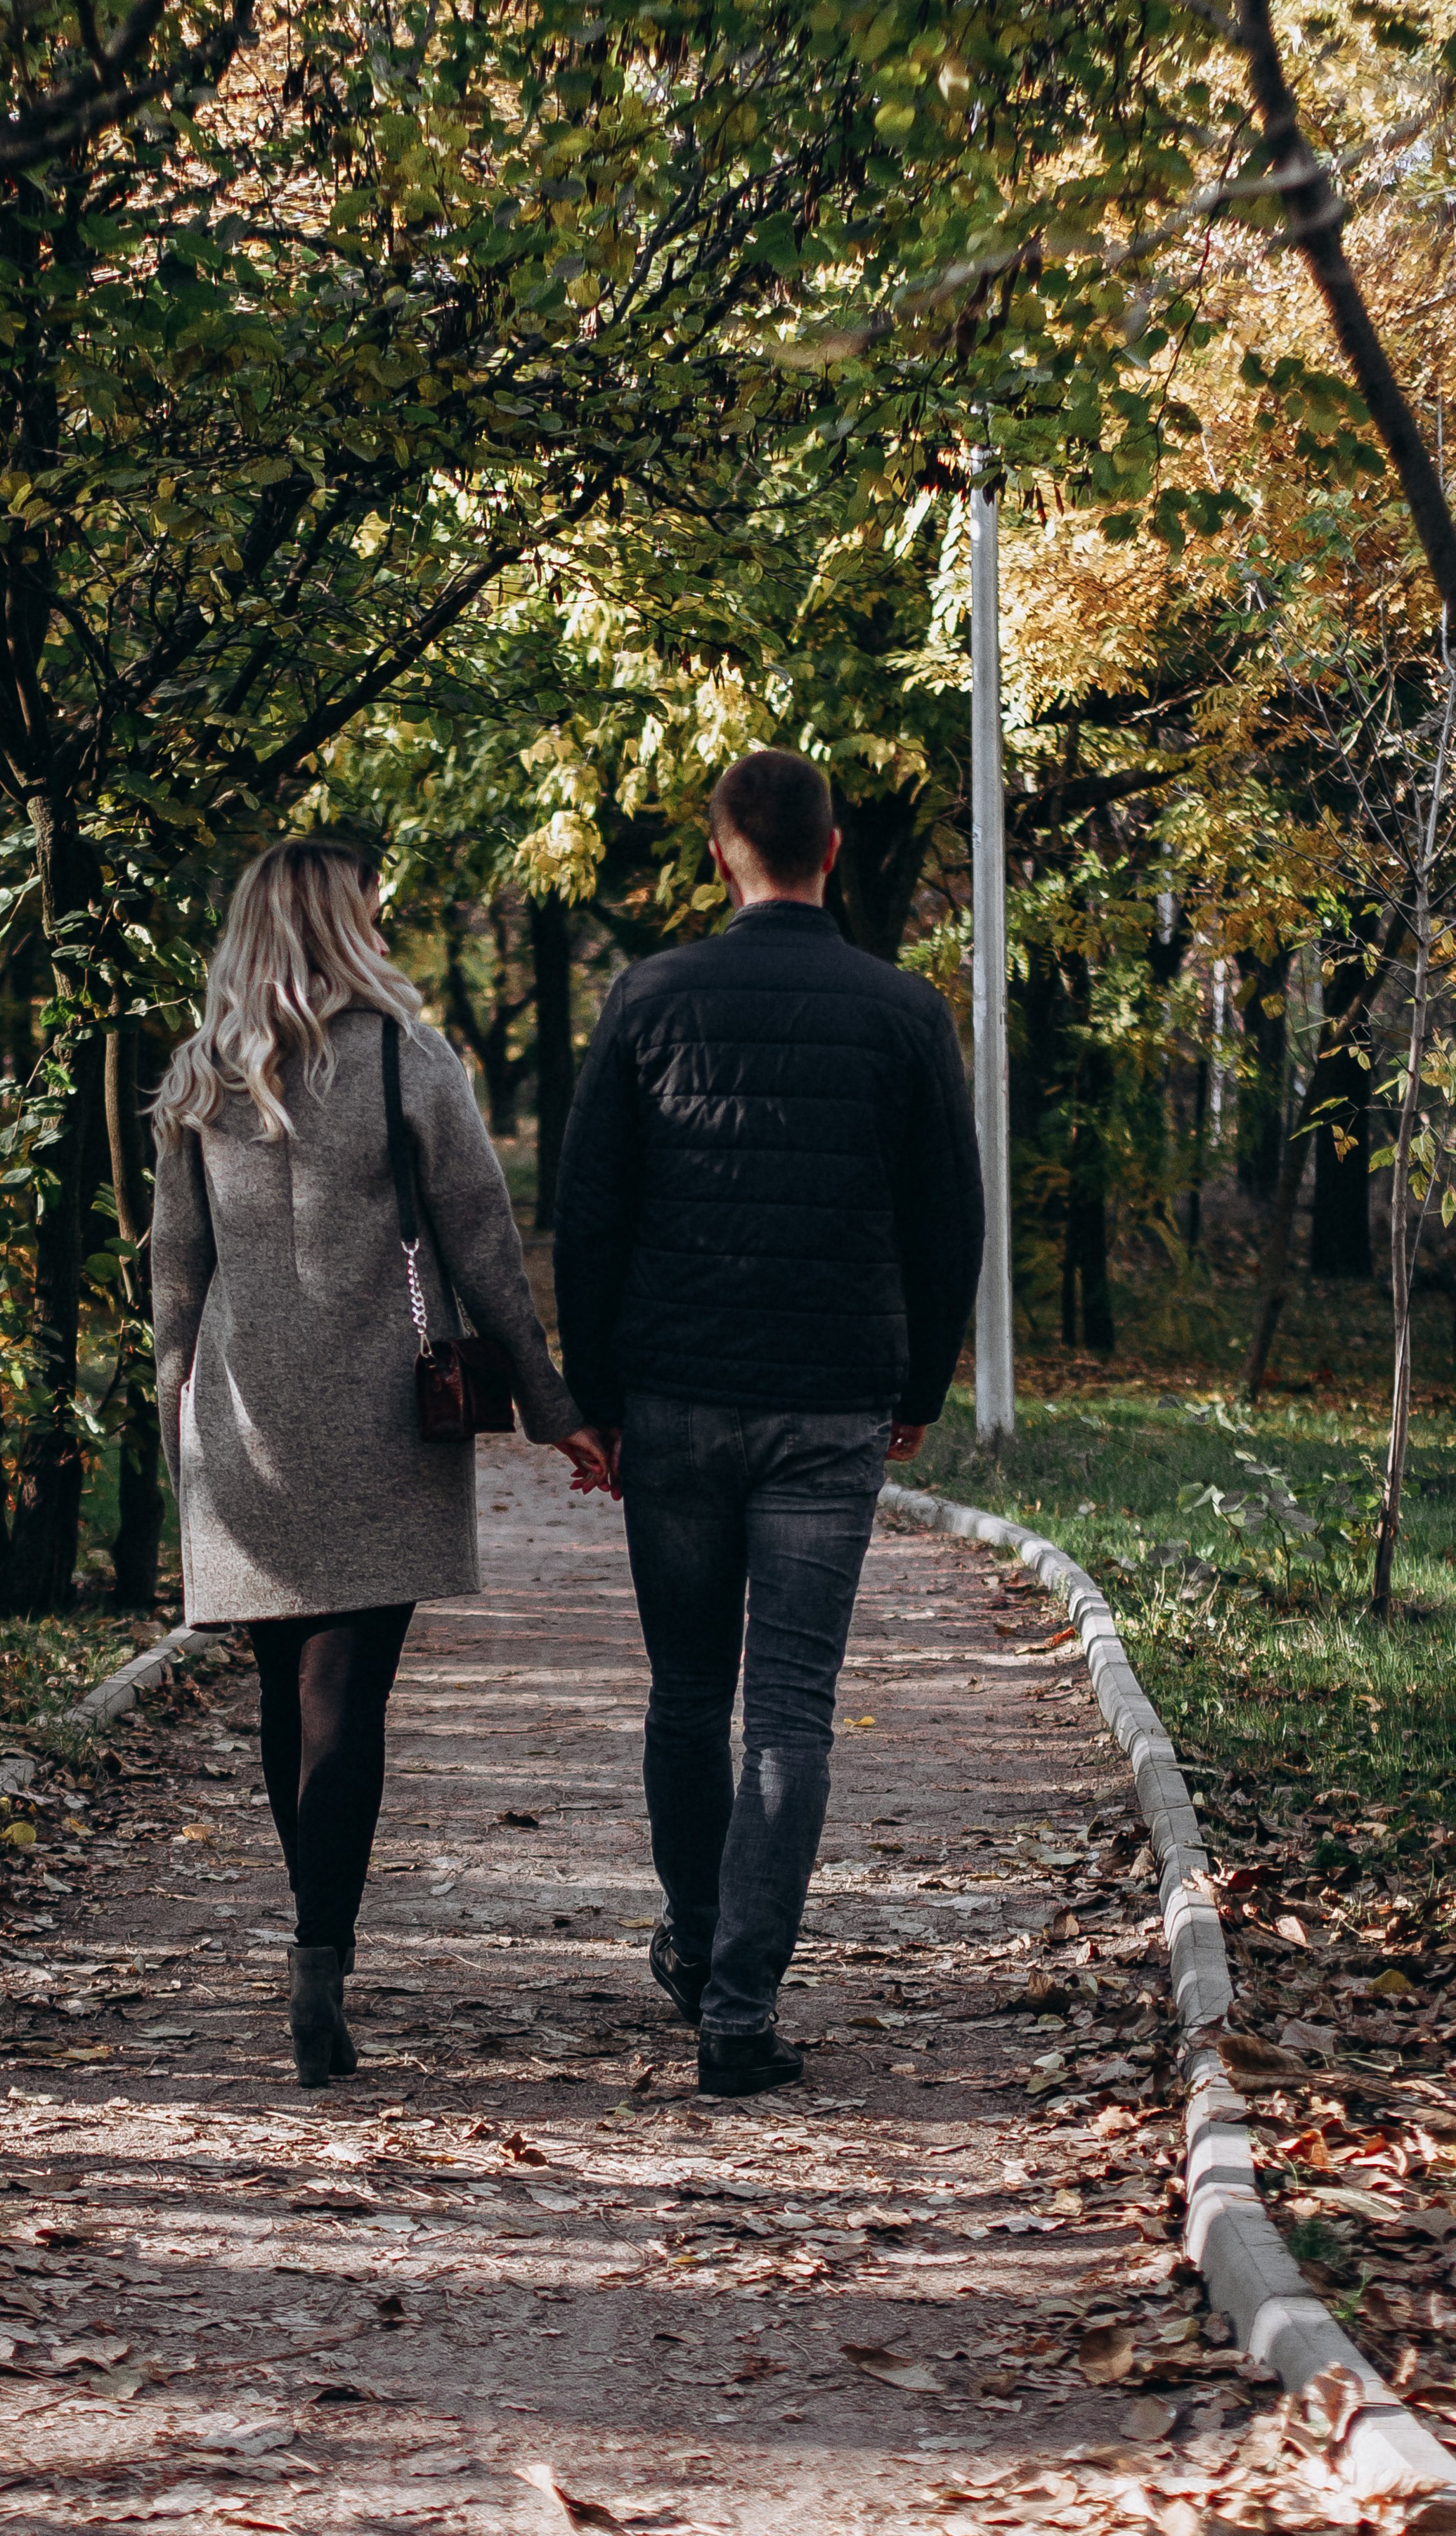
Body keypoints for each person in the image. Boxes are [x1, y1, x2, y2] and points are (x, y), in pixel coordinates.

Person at [553, 749, 984, 2098]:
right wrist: (915, 1390)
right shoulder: (904, 1011)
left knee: (689, 1695)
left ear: (720, 852)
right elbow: (948, 1220)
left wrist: (595, 1399)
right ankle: (738, 2006)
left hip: (675, 1402)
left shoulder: (650, 996)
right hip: (830, 1405)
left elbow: (591, 1211)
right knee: (789, 1711)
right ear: (835, 851)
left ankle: (694, 1940)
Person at [152, 839, 608, 2087]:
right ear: (342, 926)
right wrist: (556, 1406)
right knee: (344, 1701)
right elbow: (484, 1249)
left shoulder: (202, 1074)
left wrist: (171, 1440)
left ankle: (310, 1958)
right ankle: (319, 1964)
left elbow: (173, 1278)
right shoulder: (408, 1055)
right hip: (379, 1426)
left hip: (239, 1430)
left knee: (277, 1696)